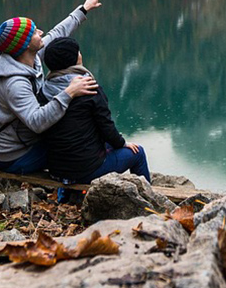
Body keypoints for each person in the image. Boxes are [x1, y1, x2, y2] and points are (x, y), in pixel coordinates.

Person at [0, 0, 103, 174]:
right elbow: (37, 122)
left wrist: (84, 9)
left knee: (80, 139)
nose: (41, 32)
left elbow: (57, 32)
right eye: (35, 32)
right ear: (26, 44)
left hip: (29, 141)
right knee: (81, 148)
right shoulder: (14, 84)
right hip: (16, 156)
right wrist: (69, 92)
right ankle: (72, 189)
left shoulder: (29, 57)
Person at [40, 36, 150, 185]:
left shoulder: (45, 89)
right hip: (85, 171)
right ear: (74, 59)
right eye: (78, 52)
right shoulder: (89, 88)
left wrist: (118, 142)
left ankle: (65, 196)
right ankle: (149, 200)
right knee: (138, 153)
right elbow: (106, 126)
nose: (80, 54)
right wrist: (123, 144)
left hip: (56, 170)